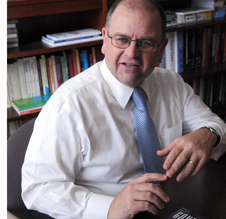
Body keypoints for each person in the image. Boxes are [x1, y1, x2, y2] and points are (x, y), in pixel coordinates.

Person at [21, 0, 226, 218]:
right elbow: (37, 189)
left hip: (168, 202)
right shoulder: (69, 105)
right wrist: (111, 207)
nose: (132, 53)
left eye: (145, 43)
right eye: (122, 39)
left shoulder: (171, 83)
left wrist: (208, 135)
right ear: (104, 40)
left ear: (162, 49)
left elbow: (216, 126)